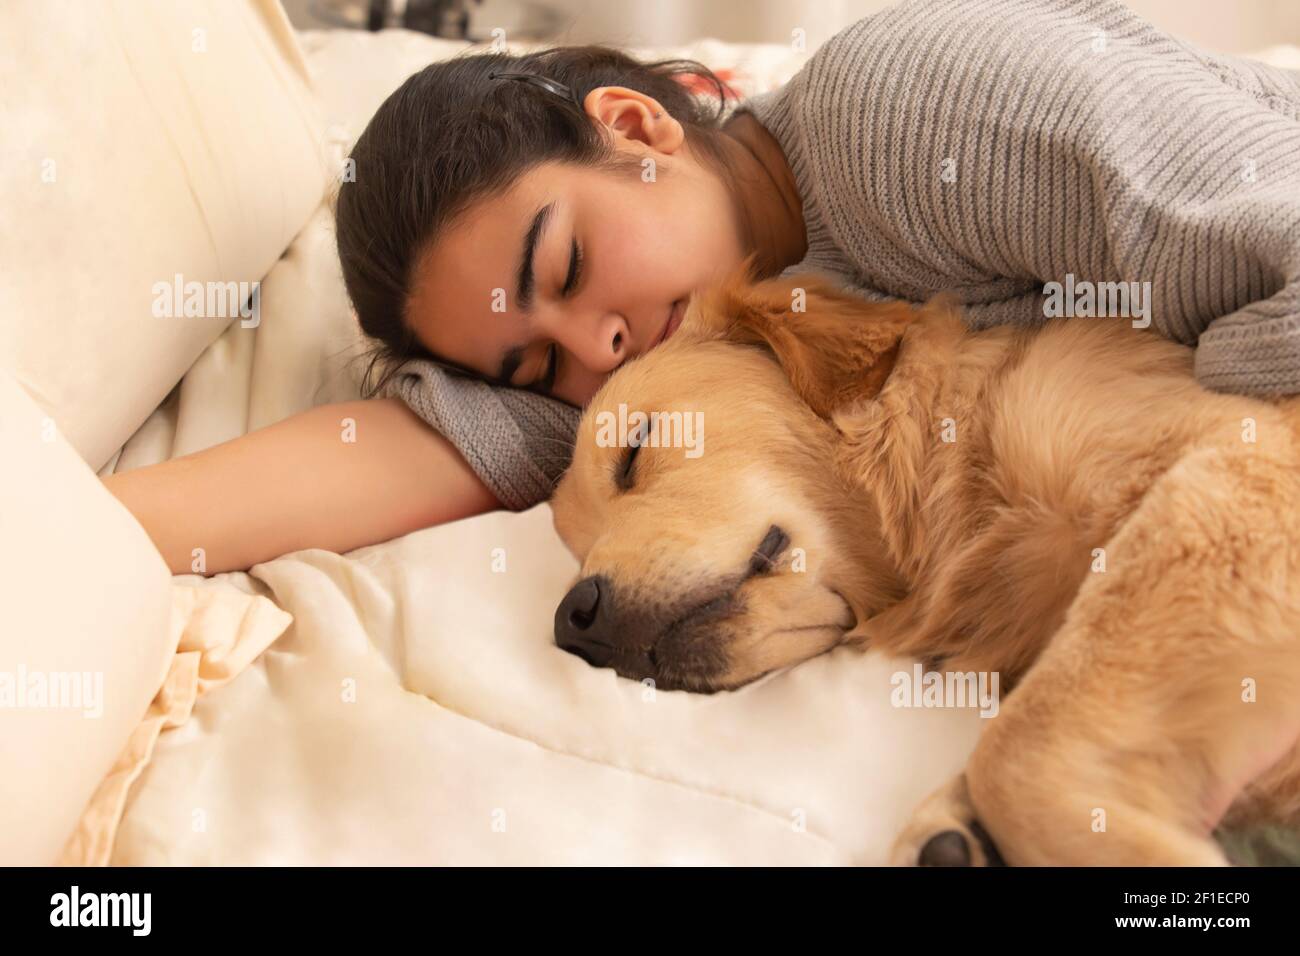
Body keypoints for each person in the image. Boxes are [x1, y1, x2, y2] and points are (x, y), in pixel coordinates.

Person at [104, 0, 1300, 576]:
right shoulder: (670, 361)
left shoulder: (904, 121)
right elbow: (402, 452)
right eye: (538, 363)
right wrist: (71, 529)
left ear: (632, 126)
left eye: (564, 267)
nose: (600, 348)